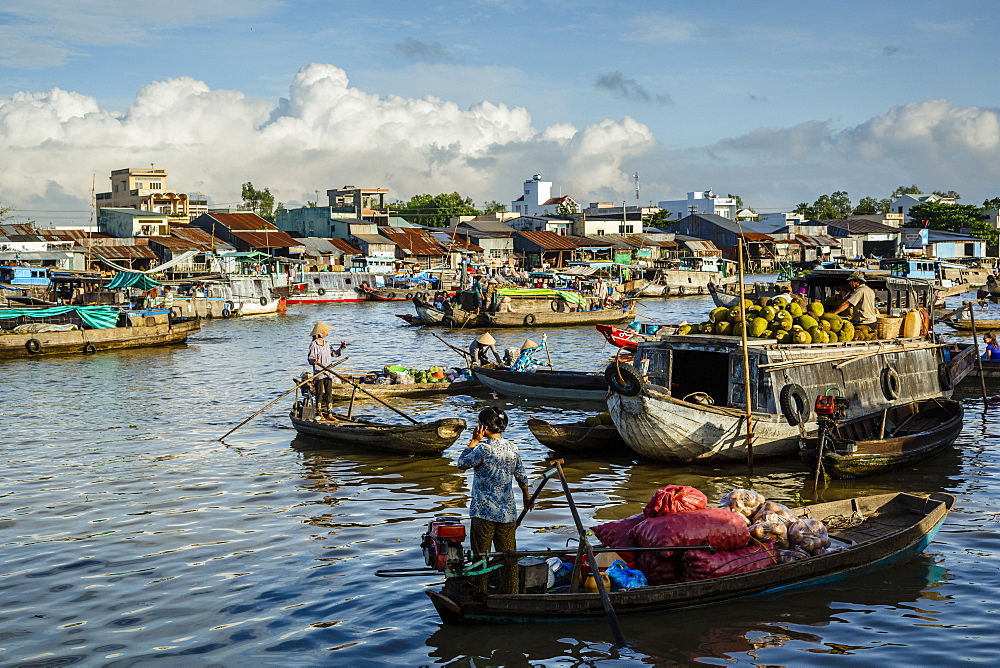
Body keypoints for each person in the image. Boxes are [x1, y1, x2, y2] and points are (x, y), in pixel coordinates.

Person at [457, 407, 531, 594]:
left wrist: (473, 441)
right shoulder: (513, 447)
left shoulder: (483, 448)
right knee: (508, 556)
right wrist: (527, 496)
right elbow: (521, 475)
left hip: (484, 512)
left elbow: (461, 464)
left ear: (483, 427)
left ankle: (480, 592)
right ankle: (510, 592)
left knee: (481, 556)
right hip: (507, 512)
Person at [307, 321, 347, 419]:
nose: (327, 332)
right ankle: (319, 413)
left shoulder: (327, 343)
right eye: (325, 331)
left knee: (329, 394)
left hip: (328, 372)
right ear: (320, 332)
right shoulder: (314, 344)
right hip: (319, 373)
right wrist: (314, 361)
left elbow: (334, 354)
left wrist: (341, 348)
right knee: (319, 394)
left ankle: (329, 414)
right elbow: (310, 358)